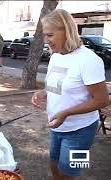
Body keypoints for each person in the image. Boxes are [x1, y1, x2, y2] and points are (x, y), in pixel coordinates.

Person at [31, 9, 109, 180]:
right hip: (57, 127)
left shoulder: (89, 60)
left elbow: (102, 100)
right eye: (44, 36)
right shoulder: (56, 56)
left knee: (70, 174)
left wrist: (66, 113)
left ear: (66, 30)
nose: (46, 41)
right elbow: (60, 86)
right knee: (54, 165)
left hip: (82, 130)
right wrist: (43, 93)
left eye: (50, 35)